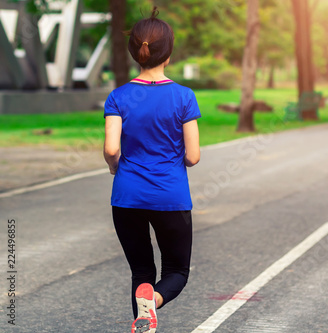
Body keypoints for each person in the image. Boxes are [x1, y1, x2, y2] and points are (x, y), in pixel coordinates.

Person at [103, 7, 201, 333]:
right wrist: (178, 160)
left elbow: (112, 149)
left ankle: (143, 317)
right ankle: (154, 302)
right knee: (176, 271)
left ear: (135, 52)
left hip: (127, 196)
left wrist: (116, 167)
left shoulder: (118, 97)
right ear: (168, 54)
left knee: (141, 271)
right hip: (170, 196)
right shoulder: (184, 97)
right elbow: (193, 155)